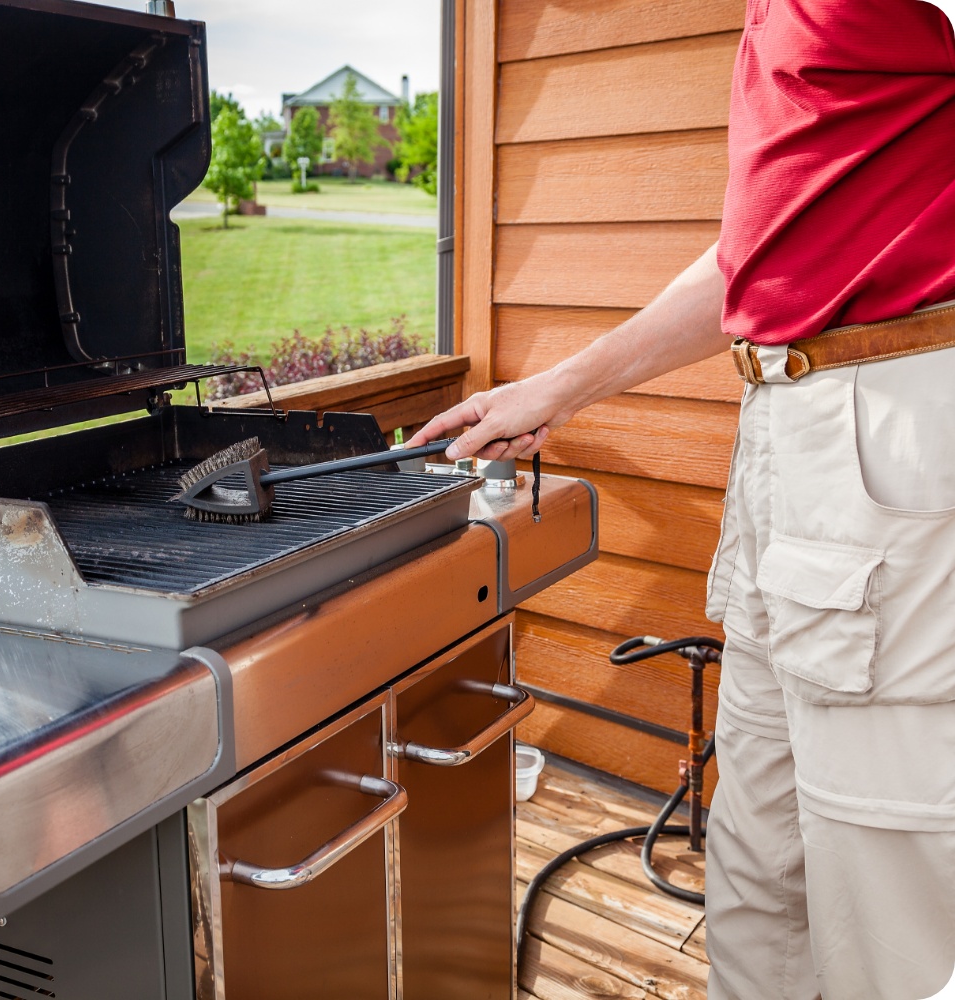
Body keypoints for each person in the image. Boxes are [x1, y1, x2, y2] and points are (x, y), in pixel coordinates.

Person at [407, 2, 955, 997]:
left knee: (890, 907)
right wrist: (558, 388)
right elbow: (760, 258)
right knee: (758, 865)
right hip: (787, 433)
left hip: (898, 437)